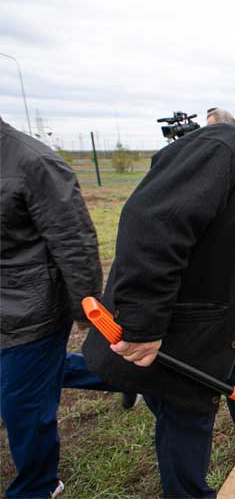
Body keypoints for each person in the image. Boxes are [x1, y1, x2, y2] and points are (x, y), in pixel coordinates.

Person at [82, 96, 235, 498]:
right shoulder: (222, 149)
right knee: (188, 410)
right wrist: (143, 323)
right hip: (188, 325)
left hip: (229, 310)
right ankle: (187, 493)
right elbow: (152, 227)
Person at [0, 117, 122, 498]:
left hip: (27, 310)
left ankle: (38, 486)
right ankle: (128, 373)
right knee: (30, 378)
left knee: (22, 403)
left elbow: (75, 240)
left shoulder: (33, 161)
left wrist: (87, 306)